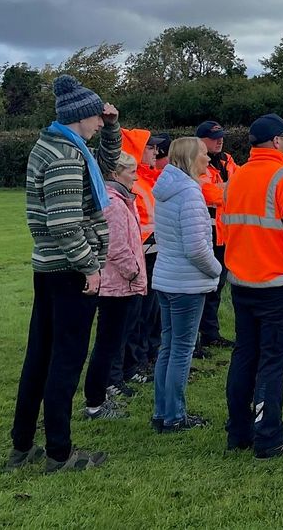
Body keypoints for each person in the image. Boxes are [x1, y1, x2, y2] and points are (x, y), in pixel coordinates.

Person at [6, 74, 121, 474]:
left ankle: (22, 446)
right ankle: (60, 453)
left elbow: (106, 164)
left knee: (39, 358)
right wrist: (89, 266)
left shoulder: (63, 145)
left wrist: (113, 128)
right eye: (95, 116)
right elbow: (65, 223)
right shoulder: (65, 157)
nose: (98, 122)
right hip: (69, 271)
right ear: (80, 116)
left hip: (49, 268)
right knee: (66, 362)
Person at [223, 113, 283, 459]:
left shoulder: (235, 179)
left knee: (244, 356)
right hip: (281, 286)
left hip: (242, 284)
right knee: (272, 364)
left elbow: (226, 229)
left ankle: (238, 431)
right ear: (278, 141)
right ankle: (269, 437)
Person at [150, 137, 222, 433]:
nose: (208, 159)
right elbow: (196, 248)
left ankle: (161, 412)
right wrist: (216, 270)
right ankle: (175, 417)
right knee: (181, 350)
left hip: (167, 278)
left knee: (168, 348)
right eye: (204, 154)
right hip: (187, 283)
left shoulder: (167, 190)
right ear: (192, 158)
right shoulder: (190, 193)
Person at [82, 149, 148, 418]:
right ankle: (97, 399)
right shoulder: (114, 202)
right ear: (114, 173)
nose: (136, 176)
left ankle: (102, 391)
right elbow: (116, 247)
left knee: (112, 341)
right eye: (131, 171)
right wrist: (133, 273)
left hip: (119, 283)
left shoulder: (120, 199)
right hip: (116, 285)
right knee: (109, 342)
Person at [120, 129, 161, 385]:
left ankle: (144, 358)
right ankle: (133, 364)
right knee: (136, 314)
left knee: (149, 312)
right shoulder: (134, 184)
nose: (156, 151)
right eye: (150, 147)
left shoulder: (146, 180)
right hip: (141, 255)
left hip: (151, 253)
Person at [195, 120, 239, 354]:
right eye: (214, 138)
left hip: (225, 235)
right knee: (203, 287)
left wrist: (225, 187)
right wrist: (230, 188)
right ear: (201, 141)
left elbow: (240, 186)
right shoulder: (196, 163)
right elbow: (210, 195)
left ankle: (210, 334)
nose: (219, 140)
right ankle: (199, 336)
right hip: (207, 234)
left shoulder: (226, 160)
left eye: (221, 136)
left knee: (217, 286)